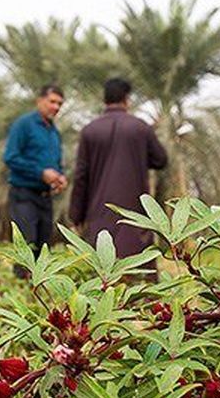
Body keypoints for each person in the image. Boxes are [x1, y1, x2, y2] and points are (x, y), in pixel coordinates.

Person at [69, 78, 168, 262]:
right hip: (135, 213)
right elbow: (160, 160)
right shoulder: (140, 127)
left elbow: (81, 176)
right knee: (139, 271)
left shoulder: (90, 131)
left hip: (99, 213)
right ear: (126, 100)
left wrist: (76, 214)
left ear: (105, 100)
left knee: (103, 272)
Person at [3, 84, 66, 276]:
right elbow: (10, 157)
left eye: (60, 104)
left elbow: (55, 163)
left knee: (43, 246)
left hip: (45, 197)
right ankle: (21, 290)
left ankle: (36, 292)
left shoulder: (54, 133)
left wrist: (59, 177)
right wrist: (40, 173)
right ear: (40, 101)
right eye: (52, 101)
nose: (56, 107)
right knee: (26, 245)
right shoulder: (24, 125)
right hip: (24, 195)